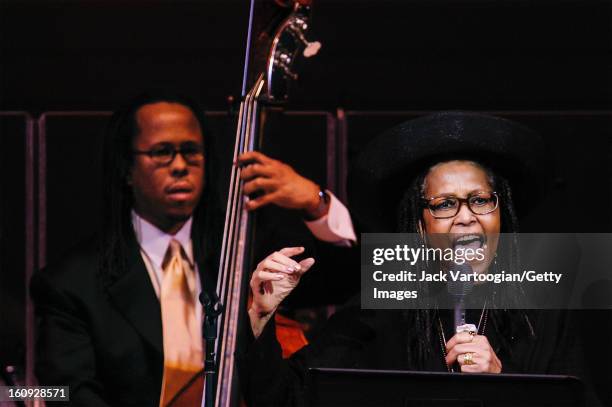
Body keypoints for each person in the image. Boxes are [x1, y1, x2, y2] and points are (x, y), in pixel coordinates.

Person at [241, 112, 599, 406]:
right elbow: (285, 400)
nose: (465, 216)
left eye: (480, 200)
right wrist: (261, 315)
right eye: (444, 204)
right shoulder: (381, 311)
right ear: (421, 226)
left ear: (500, 213)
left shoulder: (546, 311)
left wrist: (500, 385)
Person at [30, 90, 354, 406]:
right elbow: (68, 392)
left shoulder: (246, 247)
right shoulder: (71, 284)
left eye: (191, 151)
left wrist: (315, 202)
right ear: (127, 168)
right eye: (162, 152)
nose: (180, 165)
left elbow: (364, 282)